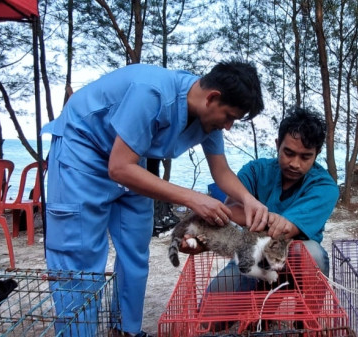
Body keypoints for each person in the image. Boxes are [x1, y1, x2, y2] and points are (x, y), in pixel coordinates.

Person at [42, 60, 269, 337]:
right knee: (80, 257)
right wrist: (192, 198)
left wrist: (248, 198)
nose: (230, 125)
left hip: (133, 162)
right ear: (212, 98)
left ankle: (126, 330)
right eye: (230, 116)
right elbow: (118, 167)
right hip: (84, 153)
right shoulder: (152, 93)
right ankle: (77, 333)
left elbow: (220, 171)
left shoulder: (208, 120)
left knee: (135, 250)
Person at [201, 107, 339, 296]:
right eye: (288, 153)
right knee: (210, 315)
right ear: (277, 145)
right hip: (253, 253)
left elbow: (283, 230)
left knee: (313, 254)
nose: (295, 163)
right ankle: (262, 305)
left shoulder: (325, 186)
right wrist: (270, 219)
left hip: (293, 260)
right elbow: (230, 209)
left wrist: (252, 215)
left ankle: (306, 321)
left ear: (317, 154)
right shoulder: (255, 170)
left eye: (305, 156)